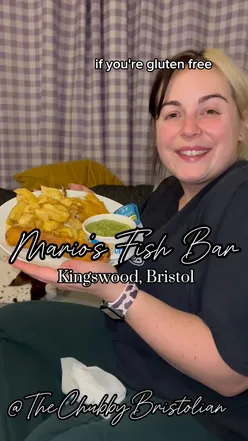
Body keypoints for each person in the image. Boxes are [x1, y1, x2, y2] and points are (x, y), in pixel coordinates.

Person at [1, 48, 248, 441]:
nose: (189, 128)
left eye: (210, 110)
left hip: (202, 409)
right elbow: (123, 259)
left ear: (241, 123)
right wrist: (86, 214)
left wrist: (116, 291)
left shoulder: (240, 194)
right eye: (172, 113)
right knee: (7, 327)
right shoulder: (168, 194)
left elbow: (230, 374)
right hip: (130, 350)